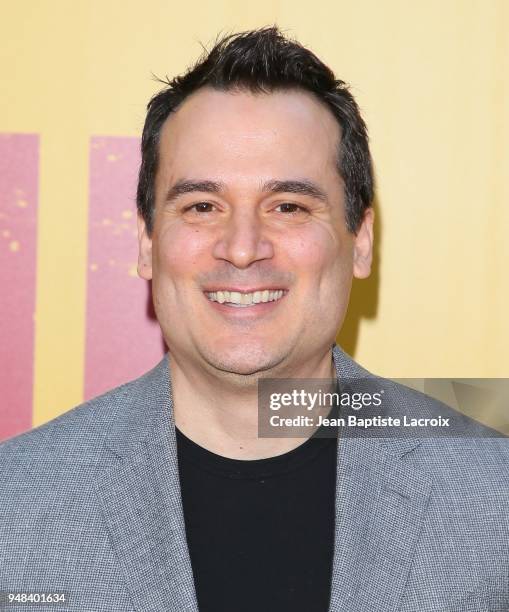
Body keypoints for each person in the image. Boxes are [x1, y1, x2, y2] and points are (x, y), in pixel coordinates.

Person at [0, 26, 507, 612]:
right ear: (146, 242)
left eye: (288, 206)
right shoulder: (16, 504)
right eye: (202, 206)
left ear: (360, 240)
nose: (242, 248)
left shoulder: (493, 497)